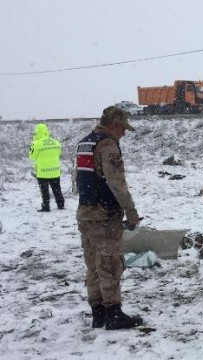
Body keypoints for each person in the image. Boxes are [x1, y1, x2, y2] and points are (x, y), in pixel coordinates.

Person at [75, 106, 143, 330]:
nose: (123, 133)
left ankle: (98, 312)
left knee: (93, 265)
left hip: (86, 213)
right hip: (104, 216)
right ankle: (113, 313)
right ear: (114, 124)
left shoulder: (86, 142)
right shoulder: (107, 144)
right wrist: (131, 213)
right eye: (123, 128)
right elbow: (116, 183)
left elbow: (82, 180)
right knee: (110, 264)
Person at [28, 123, 65, 212]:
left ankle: (46, 206)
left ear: (37, 132)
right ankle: (61, 205)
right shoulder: (55, 142)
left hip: (42, 172)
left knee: (44, 191)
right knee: (57, 189)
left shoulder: (36, 143)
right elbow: (59, 153)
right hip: (55, 171)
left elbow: (31, 156)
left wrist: (34, 141)